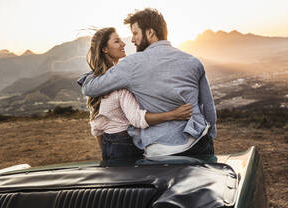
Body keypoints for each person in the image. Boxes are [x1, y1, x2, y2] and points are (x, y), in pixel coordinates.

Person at [78, 8, 216, 157]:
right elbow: (209, 110)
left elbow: (90, 89)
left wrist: (94, 72)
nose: (132, 40)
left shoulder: (132, 64)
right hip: (200, 142)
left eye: (135, 33)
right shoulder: (193, 61)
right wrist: (209, 137)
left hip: (162, 148)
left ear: (150, 33)